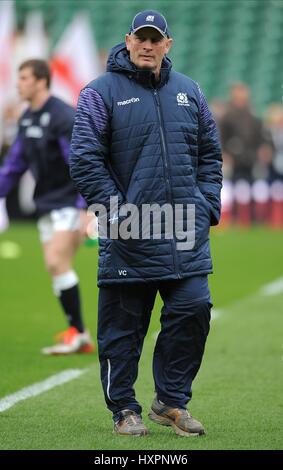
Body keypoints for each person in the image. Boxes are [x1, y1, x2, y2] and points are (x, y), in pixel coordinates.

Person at [70, 10, 222, 436]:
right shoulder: (99, 93)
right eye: (142, 37)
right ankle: (124, 409)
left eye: (157, 39)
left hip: (184, 233)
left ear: (167, 45)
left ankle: (170, 402)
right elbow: (84, 158)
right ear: (129, 40)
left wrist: (206, 203)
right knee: (122, 329)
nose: (148, 45)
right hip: (128, 232)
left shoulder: (189, 91)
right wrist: (117, 211)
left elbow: (210, 153)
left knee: (193, 309)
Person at [0, 59, 94, 355]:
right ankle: (78, 333)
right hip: (46, 203)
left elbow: (80, 163)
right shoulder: (27, 118)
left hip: (70, 200)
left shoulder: (63, 116)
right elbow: (14, 165)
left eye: (25, 78)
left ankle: (79, 333)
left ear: (42, 81)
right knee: (56, 269)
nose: (19, 84)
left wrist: (85, 206)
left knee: (56, 261)